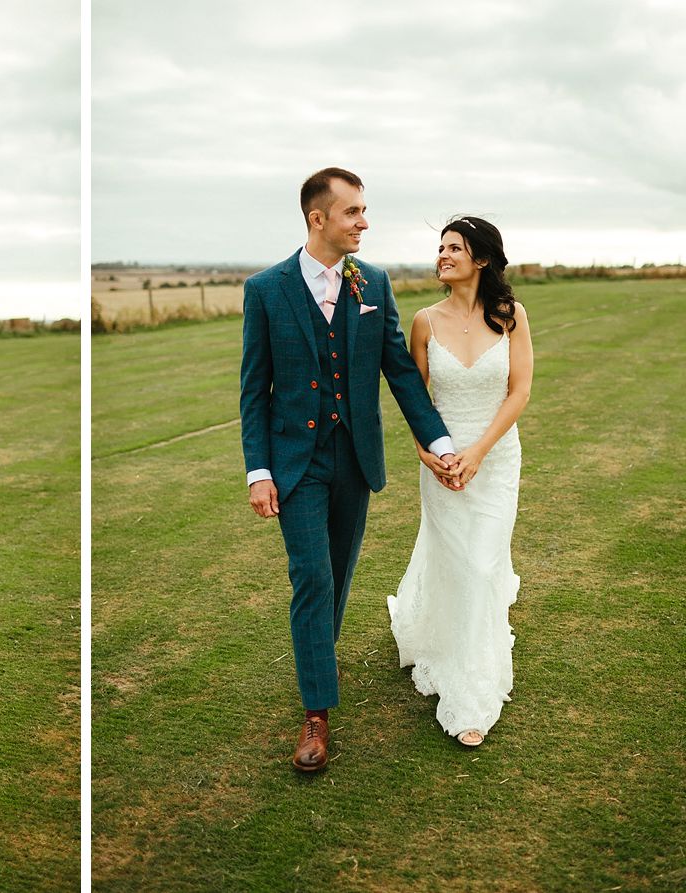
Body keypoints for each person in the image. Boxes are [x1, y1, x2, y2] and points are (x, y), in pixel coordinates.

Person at [240, 167, 458, 772]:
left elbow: (399, 371)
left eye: (364, 211)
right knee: (310, 576)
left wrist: (437, 439)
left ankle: (316, 655)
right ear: (319, 219)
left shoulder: (374, 284)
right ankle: (316, 714)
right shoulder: (265, 290)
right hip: (294, 464)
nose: (364, 222)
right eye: (353, 212)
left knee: (336, 576)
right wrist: (258, 470)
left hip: (356, 460)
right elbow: (254, 390)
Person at [388, 217, 532, 746]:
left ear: (483, 259)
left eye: (455, 248)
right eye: (441, 247)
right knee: (459, 563)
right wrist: (427, 452)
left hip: (494, 460)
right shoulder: (424, 321)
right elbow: (414, 396)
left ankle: (471, 695)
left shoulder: (511, 316)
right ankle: (455, 665)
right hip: (443, 466)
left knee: (482, 561)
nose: (443, 255)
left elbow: (518, 392)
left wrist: (478, 451)